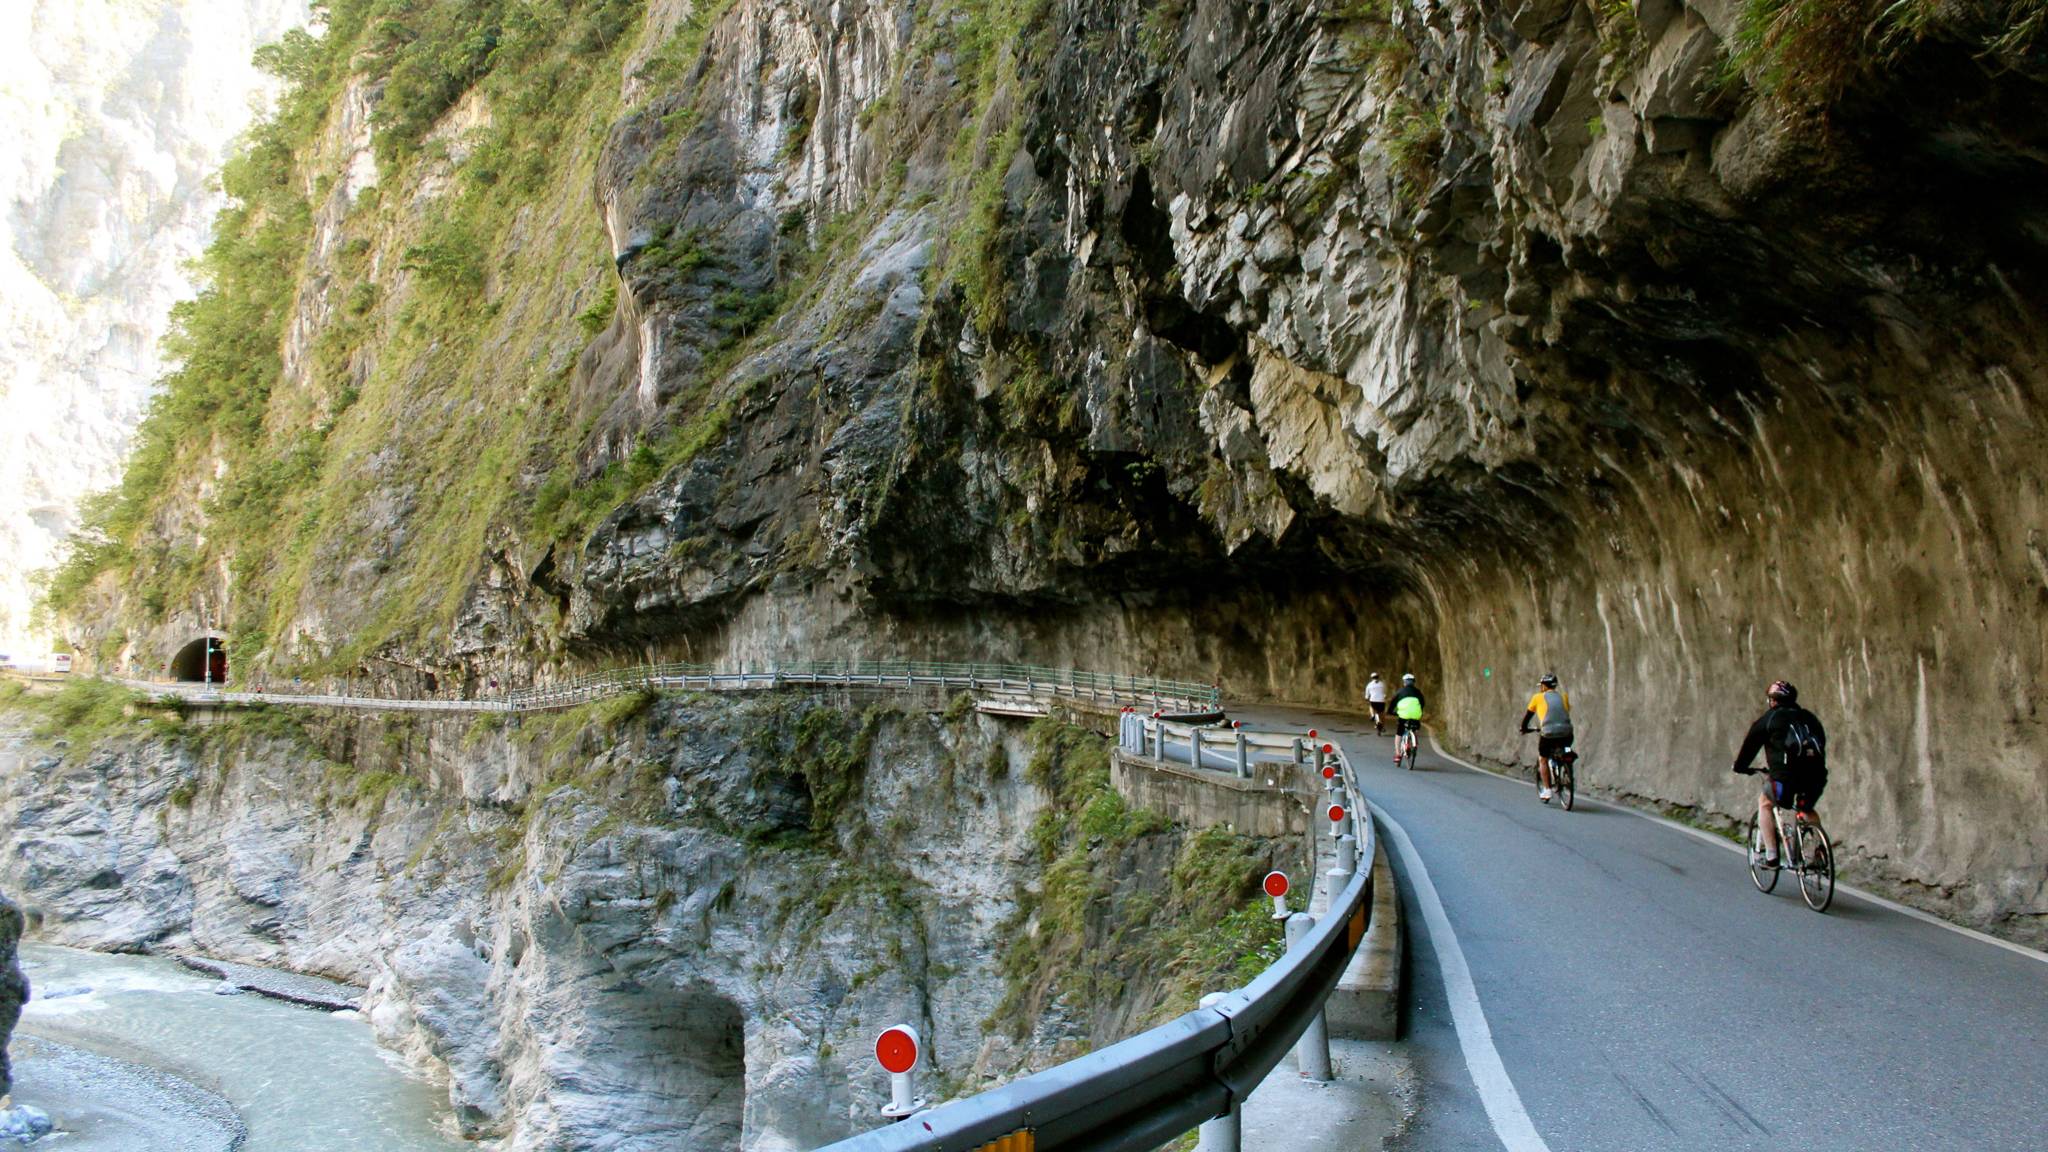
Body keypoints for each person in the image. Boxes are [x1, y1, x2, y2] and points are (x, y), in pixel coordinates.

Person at [1732, 680, 1828, 869]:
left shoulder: (1770, 719)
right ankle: (1817, 853)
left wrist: (1741, 767)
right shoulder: (1809, 717)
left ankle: (1772, 856)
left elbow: (1750, 745)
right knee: (1806, 809)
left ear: (1773, 701)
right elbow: (1821, 743)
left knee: (1765, 803)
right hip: (1815, 775)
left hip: (1785, 777)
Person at [1518, 673, 1573, 803]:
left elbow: (1528, 717)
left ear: (1543, 686)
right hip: (1567, 733)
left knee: (1543, 759)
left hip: (1548, 734)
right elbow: (1562, 713)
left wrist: (1524, 728)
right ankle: (1567, 769)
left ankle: (1547, 789)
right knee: (1566, 750)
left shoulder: (1537, 698)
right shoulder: (1563, 697)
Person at [1390, 674, 1424, 765]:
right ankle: (1414, 740)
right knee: (1415, 727)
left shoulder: (1400, 692)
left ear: (1404, 682)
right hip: (1415, 716)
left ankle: (1397, 754)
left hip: (1403, 716)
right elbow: (1422, 703)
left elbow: (1392, 703)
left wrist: (1390, 712)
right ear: (1413, 683)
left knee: (1399, 733)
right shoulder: (1418, 692)